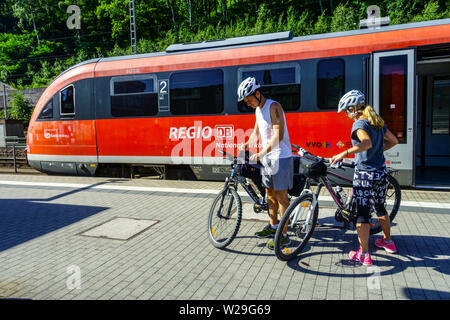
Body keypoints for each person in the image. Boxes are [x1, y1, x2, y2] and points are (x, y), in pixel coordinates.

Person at [330, 90, 399, 266]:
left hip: (365, 175)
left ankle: (364, 254)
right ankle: (388, 241)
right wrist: (377, 151)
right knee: (380, 207)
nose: (346, 114)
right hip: (381, 173)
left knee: (363, 215)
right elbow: (393, 141)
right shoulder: (377, 122)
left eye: (347, 111)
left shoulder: (359, 124)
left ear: (353, 109)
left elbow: (366, 142)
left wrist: (343, 153)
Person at [237, 77, 293, 249]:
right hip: (268, 158)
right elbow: (256, 133)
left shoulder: (274, 107)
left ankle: (284, 235)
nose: (248, 104)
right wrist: (246, 144)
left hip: (281, 157)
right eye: (246, 102)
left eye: (249, 100)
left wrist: (261, 152)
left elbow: (278, 136)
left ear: (258, 93)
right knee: (269, 194)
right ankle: (273, 226)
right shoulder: (257, 110)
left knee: (282, 197)